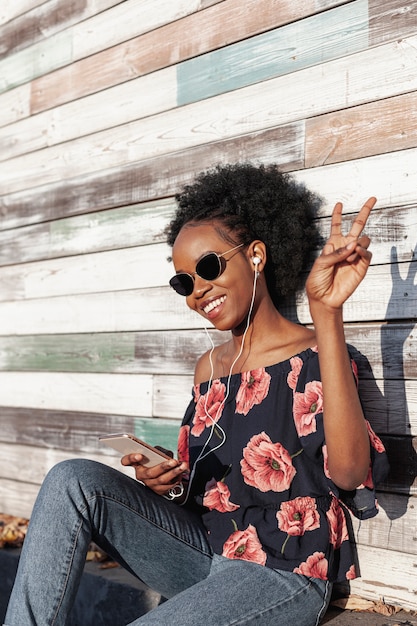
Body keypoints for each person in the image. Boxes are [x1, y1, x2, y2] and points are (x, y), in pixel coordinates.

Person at [5, 163, 389, 626]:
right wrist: (166, 481)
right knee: (72, 479)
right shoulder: (209, 368)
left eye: (208, 267)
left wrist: (327, 314)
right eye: (184, 282)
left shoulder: (313, 355)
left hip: (283, 568)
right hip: (202, 550)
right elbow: (199, 488)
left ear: (257, 256)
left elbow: (349, 472)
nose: (196, 292)